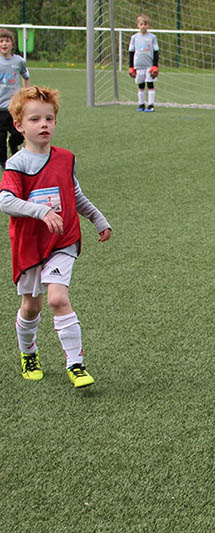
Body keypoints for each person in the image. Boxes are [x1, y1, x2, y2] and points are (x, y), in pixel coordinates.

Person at [0, 86, 112, 388]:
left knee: (58, 299)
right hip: (29, 246)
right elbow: (5, 200)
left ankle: (75, 364)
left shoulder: (65, 159)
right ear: (19, 126)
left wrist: (97, 219)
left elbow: (74, 194)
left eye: (49, 118)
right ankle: (29, 353)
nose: (44, 124)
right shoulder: (17, 164)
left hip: (62, 242)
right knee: (30, 307)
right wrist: (40, 212)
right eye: (35, 119)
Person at [0, 28, 30, 167]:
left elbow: (25, 75)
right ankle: (4, 163)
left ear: (12, 43)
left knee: (19, 134)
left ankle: (13, 145)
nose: (4, 43)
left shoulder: (18, 61)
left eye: (7, 40)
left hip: (13, 107)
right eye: (1, 41)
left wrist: (25, 93)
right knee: (0, 138)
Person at [128, 14, 159, 112]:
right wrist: (131, 67)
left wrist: (155, 65)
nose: (143, 26)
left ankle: (151, 105)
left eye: (145, 24)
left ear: (149, 26)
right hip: (138, 65)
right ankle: (141, 104)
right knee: (140, 85)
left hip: (149, 66)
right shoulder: (134, 38)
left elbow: (156, 52)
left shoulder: (152, 37)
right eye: (141, 24)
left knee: (150, 84)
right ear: (137, 25)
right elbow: (131, 52)